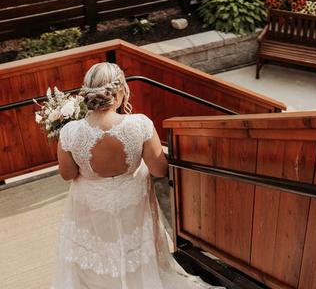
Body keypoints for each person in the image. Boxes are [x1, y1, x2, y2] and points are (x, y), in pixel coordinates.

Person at [51, 62, 224, 289]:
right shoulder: (140, 124)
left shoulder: (70, 132)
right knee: (132, 249)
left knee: (97, 248)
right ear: (120, 91)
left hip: (91, 204)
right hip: (131, 201)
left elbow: (68, 174)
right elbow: (159, 170)